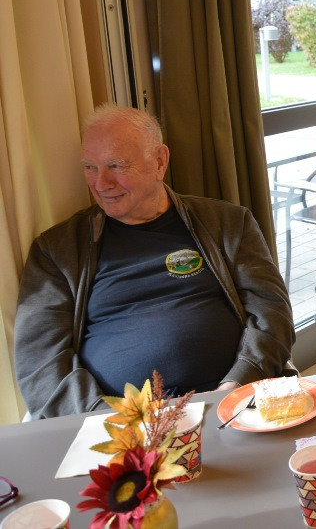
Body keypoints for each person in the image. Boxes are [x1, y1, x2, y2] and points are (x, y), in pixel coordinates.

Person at [15, 105, 295, 419]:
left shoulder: (227, 224)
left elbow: (272, 312)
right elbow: (39, 362)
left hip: (233, 405)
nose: (100, 183)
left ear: (159, 161)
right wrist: (105, 419)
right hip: (116, 426)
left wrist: (237, 385)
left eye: (116, 166)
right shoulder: (58, 250)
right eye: (89, 167)